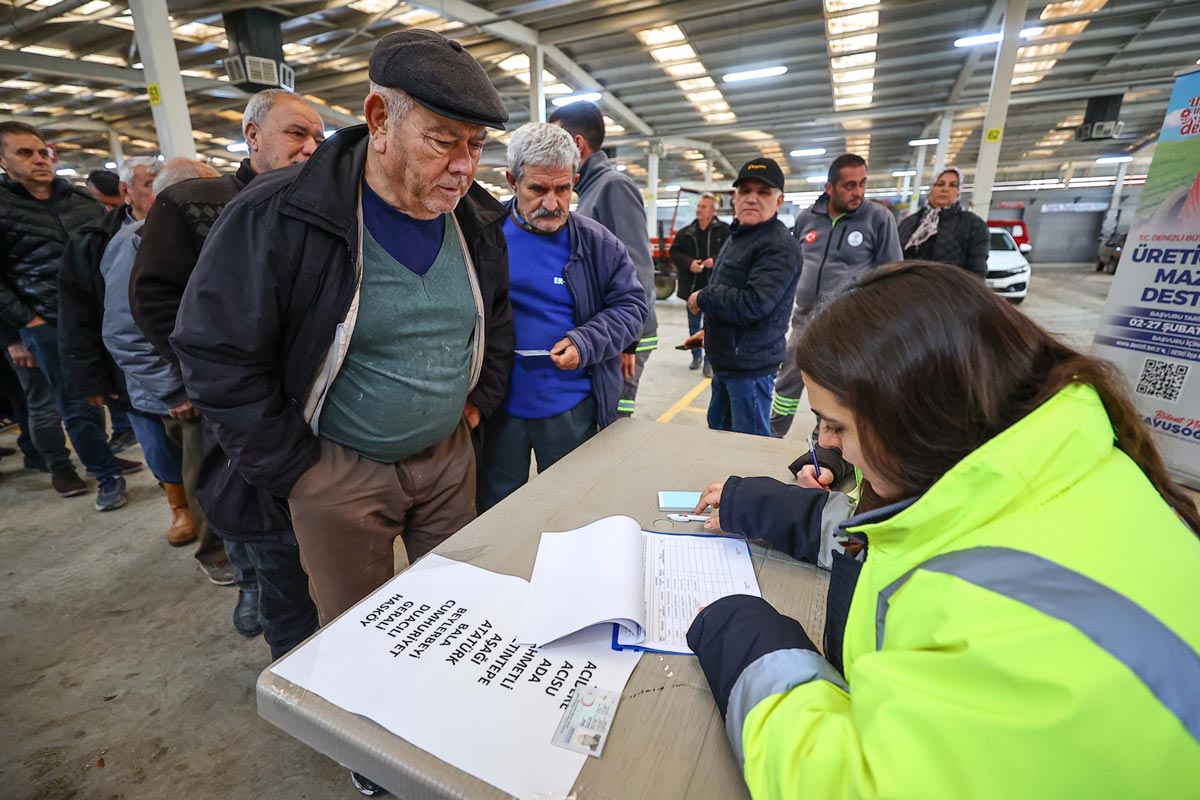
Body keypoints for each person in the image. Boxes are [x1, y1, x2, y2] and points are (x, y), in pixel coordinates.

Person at [687, 261, 1200, 799]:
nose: (825, 445)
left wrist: (742, 636)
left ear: (911, 421)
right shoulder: (1059, 469)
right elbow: (910, 540)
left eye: (835, 425)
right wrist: (765, 506)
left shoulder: (1006, 633)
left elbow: (844, 782)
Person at [171, 31, 513, 641]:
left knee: (457, 613)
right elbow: (216, 352)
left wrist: (475, 407)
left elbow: (498, 318)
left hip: (449, 460)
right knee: (357, 636)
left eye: (476, 145)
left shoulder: (475, 220)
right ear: (379, 120)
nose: (464, 165)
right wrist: (297, 469)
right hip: (339, 472)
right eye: (442, 141)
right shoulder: (278, 214)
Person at [130, 90, 325, 644]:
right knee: (259, 524)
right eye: (296, 133)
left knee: (314, 539)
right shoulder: (196, 203)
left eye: (318, 138)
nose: (311, 148)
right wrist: (207, 377)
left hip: (315, 413)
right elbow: (153, 299)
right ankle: (258, 596)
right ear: (253, 135)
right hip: (244, 410)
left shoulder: (319, 205)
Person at [479, 122, 646, 510]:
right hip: (498, 410)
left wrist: (585, 341)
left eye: (563, 189)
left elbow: (632, 307)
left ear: (575, 181)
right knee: (495, 511)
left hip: (570, 410)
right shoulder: (483, 236)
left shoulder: (598, 244)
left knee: (571, 509)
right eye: (538, 189)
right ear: (512, 181)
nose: (552, 204)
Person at [0, 121, 138, 511]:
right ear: (3, 161)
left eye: (42, 152)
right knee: (70, 404)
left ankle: (112, 458)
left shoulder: (80, 201)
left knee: (115, 394)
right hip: (46, 323)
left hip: (98, 318)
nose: (39, 159)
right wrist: (26, 324)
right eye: (25, 153)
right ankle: (102, 474)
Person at [99, 159, 221, 550]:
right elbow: (123, 332)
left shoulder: (200, 234)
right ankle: (215, 554)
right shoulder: (136, 242)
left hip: (206, 382)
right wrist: (175, 391)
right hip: (181, 391)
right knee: (205, 474)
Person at [771, 153, 902, 438]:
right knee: (788, 379)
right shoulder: (807, 219)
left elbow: (892, 276)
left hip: (848, 326)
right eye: (849, 185)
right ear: (830, 188)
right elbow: (794, 264)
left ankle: (826, 442)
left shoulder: (878, 219)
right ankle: (772, 432)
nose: (858, 192)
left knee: (835, 389)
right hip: (804, 320)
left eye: (862, 184)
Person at [549, 101, 657, 417]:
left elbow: (638, 268)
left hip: (627, 335)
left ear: (577, 144)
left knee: (615, 418)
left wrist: (628, 342)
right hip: (612, 331)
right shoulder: (591, 189)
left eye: (556, 141)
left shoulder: (613, 186)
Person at [687, 157, 801, 437]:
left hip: (750, 369)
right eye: (745, 191)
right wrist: (710, 330)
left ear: (779, 200)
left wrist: (703, 297)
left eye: (763, 192)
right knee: (720, 435)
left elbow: (753, 303)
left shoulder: (778, 246)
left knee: (748, 444)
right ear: (735, 197)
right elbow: (730, 286)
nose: (752, 198)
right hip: (727, 361)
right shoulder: (739, 235)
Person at [58, 156, 163, 453]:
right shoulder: (94, 241)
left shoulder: (184, 228)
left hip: (180, 368)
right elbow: (78, 313)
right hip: (130, 373)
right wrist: (90, 378)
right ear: (125, 190)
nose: (161, 192)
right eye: (150, 185)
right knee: (159, 450)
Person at [669, 193, 729, 375]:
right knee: (694, 326)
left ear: (712, 211)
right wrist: (689, 263)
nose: (699, 209)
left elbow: (731, 253)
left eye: (703, 207)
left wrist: (714, 261)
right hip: (692, 288)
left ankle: (709, 362)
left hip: (715, 289)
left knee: (712, 328)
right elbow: (674, 253)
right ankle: (696, 356)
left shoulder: (725, 231)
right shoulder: (686, 233)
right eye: (699, 206)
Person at [897, 166, 989, 277]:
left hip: (948, 287)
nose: (945, 189)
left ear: (958, 192)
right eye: (940, 184)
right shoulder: (909, 222)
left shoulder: (973, 224)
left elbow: (977, 270)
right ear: (931, 189)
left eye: (953, 185)